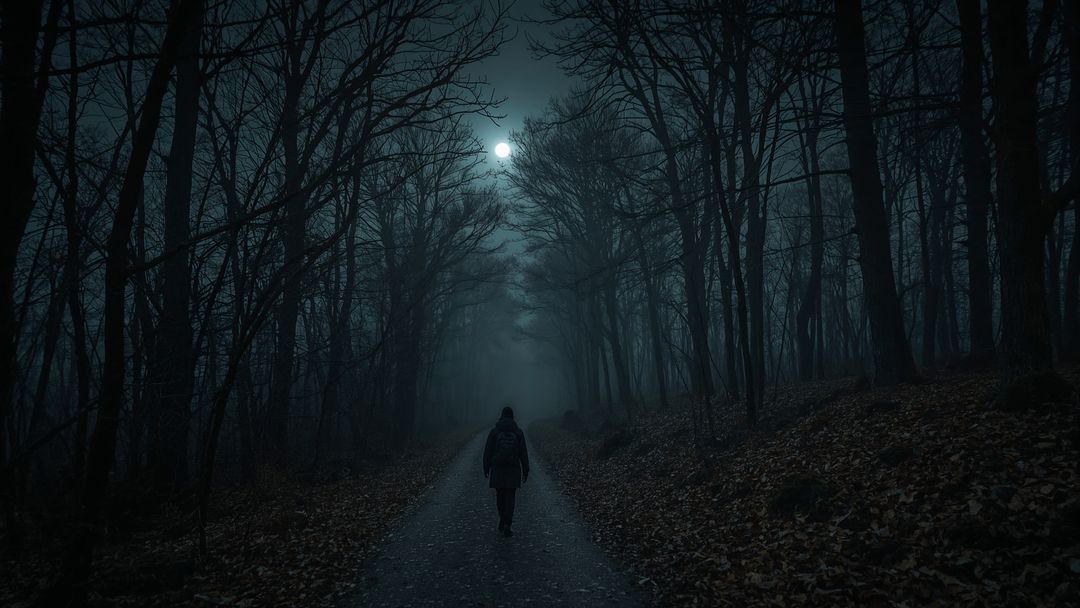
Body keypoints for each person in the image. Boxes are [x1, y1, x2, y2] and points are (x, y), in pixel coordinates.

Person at [482, 406, 529, 537]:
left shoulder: (494, 432)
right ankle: (507, 523)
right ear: (512, 416)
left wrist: (486, 467)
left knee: (500, 494)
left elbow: (488, 451)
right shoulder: (518, 432)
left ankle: (502, 519)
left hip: (497, 468)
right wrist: (526, 470)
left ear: (501, 416)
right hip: (513, 468)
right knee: (510, 496)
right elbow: (523, 453)